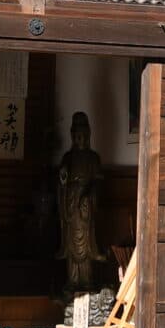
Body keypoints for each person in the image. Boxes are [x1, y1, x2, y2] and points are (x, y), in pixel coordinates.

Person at [56, 111, 112, 298]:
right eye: (76, 135)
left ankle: (86, 281)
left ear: (88, 135)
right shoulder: (67, 157)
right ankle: (73, 281)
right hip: (71, 204)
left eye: (82, 135)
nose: (79, 138)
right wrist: (63, 179)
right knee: (72, 247)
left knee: (86, 244)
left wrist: (88, 196)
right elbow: (62, 179)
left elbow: (97, 181)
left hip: (86, 205)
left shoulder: (93, 158)